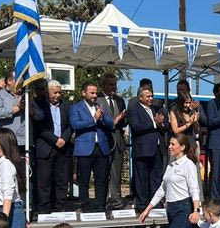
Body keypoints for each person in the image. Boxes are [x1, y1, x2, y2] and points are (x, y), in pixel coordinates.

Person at [70, 82, 114, 212]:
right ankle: (85, 206)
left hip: (101, 147)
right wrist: (94, 119)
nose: (95, 95)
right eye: (92, 93)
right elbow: (75, 125)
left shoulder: (100, 106)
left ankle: (100, 206)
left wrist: (103, 117)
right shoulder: (76, 107)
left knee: (102, 179)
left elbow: (111, 124)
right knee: (84, 180)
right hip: (85, 148)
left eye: (96, 93)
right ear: (84, 93)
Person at [33, 80, 72, 213]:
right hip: (46, 147)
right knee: (44, 181)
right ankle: (44, 208)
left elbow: (70, 125)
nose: (57, 95)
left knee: (62, 180)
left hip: (63, 147)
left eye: (59, 92)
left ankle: (60, 206)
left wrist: (64, 139)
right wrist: (55, 139)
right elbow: (39, 126)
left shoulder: (66, 105)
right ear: (47, 92)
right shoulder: (39, 105)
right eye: (54, 92)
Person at [129, 85, 168, 212]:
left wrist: (161, 124)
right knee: (142, 178)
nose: (151, 99)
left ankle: (154, 202)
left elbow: (166, 126)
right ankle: (141, 204)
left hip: (157, 148)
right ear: (140, 98)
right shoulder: (134, 109)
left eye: (152, 96)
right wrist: (154, 123)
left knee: (156, 177)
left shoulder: (156, 109)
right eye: (148, 96)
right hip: (142, 149)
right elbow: (136, 127)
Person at [97, 73, 129, 209]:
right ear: (103, 85)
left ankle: (117, 201)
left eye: (115, 84)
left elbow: (125, 121)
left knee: (116, 174)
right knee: (103, 174)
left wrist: (121, 119)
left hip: (118, 140)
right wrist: (114, 121)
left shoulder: (120, 100)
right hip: (104, 140)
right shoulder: (97, 99)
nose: (113, 87)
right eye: (111, 84)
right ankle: (102, 202)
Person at [0, 71, 26, 151]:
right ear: (9, 81)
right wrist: (17, 108)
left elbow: (38, 116)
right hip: (6, 142)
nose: (22, 82)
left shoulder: (26, 95)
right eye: (20, 80)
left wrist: (29, 108)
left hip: (24, 141)